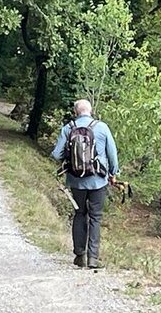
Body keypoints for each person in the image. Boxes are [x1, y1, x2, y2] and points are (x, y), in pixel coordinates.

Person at [51, 99, 119, 269]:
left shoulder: (68, 128)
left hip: (76, 180)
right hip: (98, 179)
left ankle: (79, 255)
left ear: (76, 112)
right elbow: (112, 154)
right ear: (91, 111)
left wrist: (71, 159)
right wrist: (113, 174)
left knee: (79, 214)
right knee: (95, 217)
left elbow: (56, 154)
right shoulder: (102, 127)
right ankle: (93, 258)